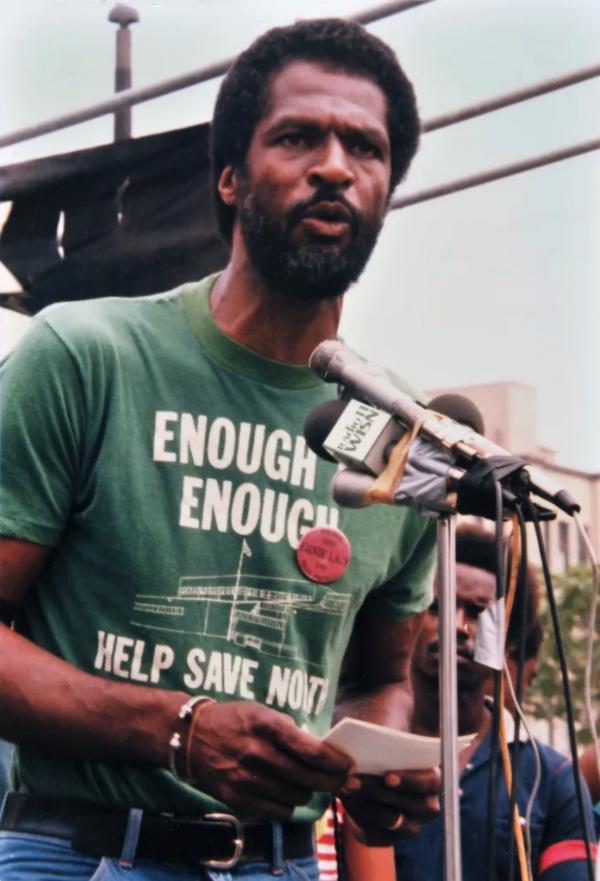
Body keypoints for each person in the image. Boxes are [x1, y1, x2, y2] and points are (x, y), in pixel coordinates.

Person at [0, 18, 441, 881]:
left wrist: (377, 767)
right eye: (298, 137)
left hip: (281, 862)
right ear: (230, 176)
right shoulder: (87, 357)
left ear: (387, 189)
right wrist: (177, 727)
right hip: (82, 852)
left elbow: (379, 680)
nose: (335, 166)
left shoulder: (401, 435)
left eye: (366, 148)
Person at [390, 522, 598, 880]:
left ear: (509, 643)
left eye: (478, 613)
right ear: (409, 617)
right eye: (437, 606)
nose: (458, 626)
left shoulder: (551, 777)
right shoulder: (370, 748)